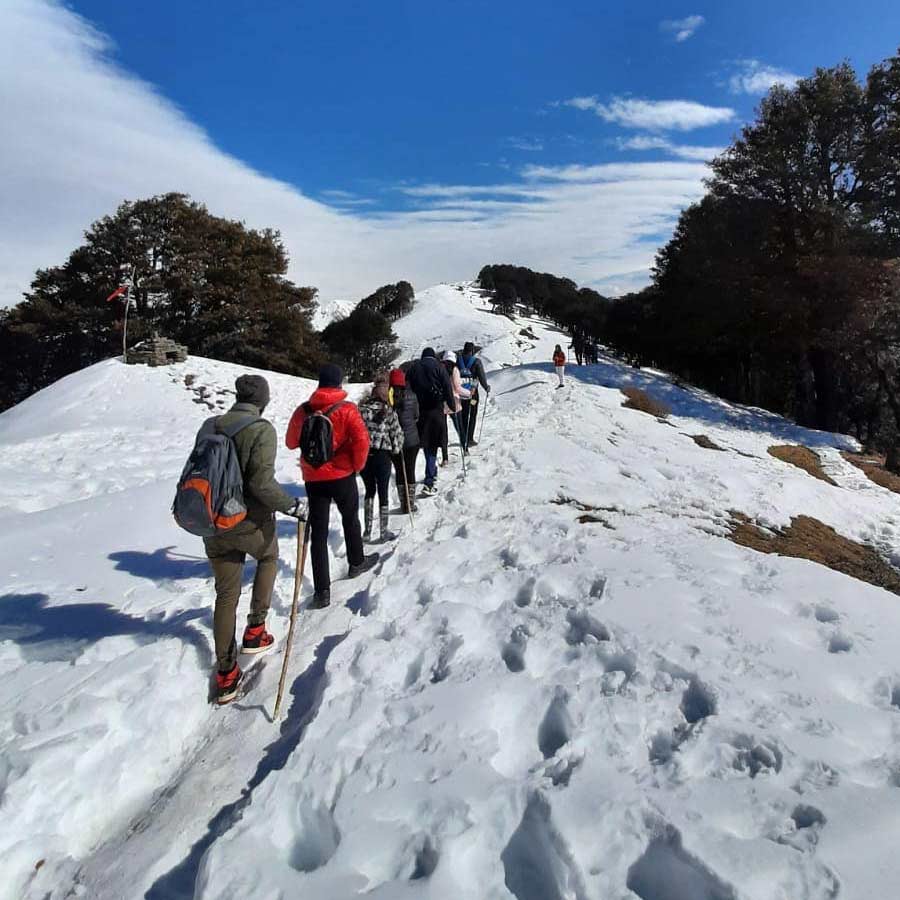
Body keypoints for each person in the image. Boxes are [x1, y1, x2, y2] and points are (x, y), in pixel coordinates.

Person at [203, 374, 305, 705]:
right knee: (269, 557)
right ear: (262, 399)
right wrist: (292, 505)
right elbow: (261, 484)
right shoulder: (261, 430)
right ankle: (256, 629)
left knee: (226, 594)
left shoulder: (211, 425)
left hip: (212, 521)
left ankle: (226, 673)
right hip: (248, 521)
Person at [286, 364, 378, 610]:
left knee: (319, 532)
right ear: (339, 383)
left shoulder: (304, 410)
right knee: (350, 519)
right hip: (341, 474)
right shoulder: (347, 409)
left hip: (313, 478)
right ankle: (356, 561)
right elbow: (361, 441)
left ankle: (322, 591)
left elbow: (291, 442)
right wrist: (356, 466)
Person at [359, 372, 405, 543]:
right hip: (382, 455)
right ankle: (383, 531)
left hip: (365, 456)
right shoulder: (389, 411)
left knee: (369, 491)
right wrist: (396, 448)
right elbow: (397, 435)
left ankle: (367, 530)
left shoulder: (362, 410)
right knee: (383, 492)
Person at [405, 347, 454, 496]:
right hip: (436, 410)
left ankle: (428, 473)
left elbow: (407, 388)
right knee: (432, 445)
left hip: (419, 411)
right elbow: (447, 387)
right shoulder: (440, 367)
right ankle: (429, 479)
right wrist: (452, 405)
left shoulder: (413, 368)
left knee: (425, 444)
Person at [389, 368, 419, 513]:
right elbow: (416, 416)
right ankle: (410, 503)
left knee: (400, 471)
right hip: (411, 440)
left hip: (394, 441)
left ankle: (403, 504)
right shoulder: (412, 396)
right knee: (410, 469)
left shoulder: (388, 399)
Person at [455, 341, 490, 448]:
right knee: (473, 414)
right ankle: (470, 439)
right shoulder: (476, 362)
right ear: (472, 350)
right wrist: (486, 387)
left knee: (464, 414)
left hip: (462, 393)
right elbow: (481, 377)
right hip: (473, 394)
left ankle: (463, 437)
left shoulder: (458, 361)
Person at [442, 350, 471, 448]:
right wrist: (468, 393)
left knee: (444, 430)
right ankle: (465, 447)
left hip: (443, 402)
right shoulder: (454, 370)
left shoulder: (440, 369)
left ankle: (445, 455)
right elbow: (457, 388)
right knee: (459, 427)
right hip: (454, 402)